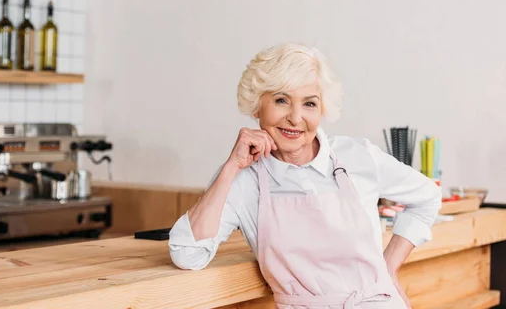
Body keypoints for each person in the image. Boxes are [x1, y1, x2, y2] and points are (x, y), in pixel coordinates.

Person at [168, 43, 442, 308]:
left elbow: (428, 197)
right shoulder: (243, 178)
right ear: (256, 107)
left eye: (309, 104)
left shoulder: (358, 157)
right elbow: (187, 254)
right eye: (281, 100)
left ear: (322, 109)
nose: (295, 118)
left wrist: (389, 267)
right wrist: (229, 168)